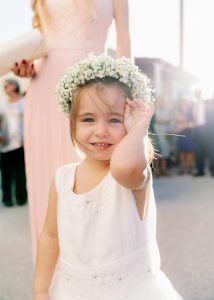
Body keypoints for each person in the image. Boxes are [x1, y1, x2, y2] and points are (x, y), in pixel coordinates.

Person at [33, 55, 182, 300]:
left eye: (115, 120)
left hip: (131, 291)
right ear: (72, 122)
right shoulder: (62, 178)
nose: (100, 131)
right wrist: (40, 290)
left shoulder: (131, 173)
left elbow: (125, 167)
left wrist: (138, 130)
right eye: (88, 119)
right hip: (73, 291)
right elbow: (50, 236)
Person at [12, 0, 130, 260]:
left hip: (93, 91)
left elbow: (124, 52)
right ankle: (51, 281)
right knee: (48, 183)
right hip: (44, 91)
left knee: (93, 182)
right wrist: (26, 69)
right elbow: (39, 46)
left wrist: (127, 102)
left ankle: (95, 269)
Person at [0, 79, 27, 207]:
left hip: (21, 143)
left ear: (14, 85)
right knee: (6, 172)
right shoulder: (2, 103)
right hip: (5, 144)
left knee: (20, 171)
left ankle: (21, 197)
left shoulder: (24, 101)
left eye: (7, 84)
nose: (4, 86)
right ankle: (7, 198)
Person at [176, 97, 194, 175]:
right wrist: (186, 123)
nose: (184, 103)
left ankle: (190, 168)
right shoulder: (178, 111)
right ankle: (182, 168)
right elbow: (178, 120)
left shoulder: (191, 112)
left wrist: (184, 123)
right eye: (183, 102)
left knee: (190, 152)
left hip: (189, 133)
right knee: (182, 152)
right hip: (181, 133)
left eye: (186, 102)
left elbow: (192, 122)